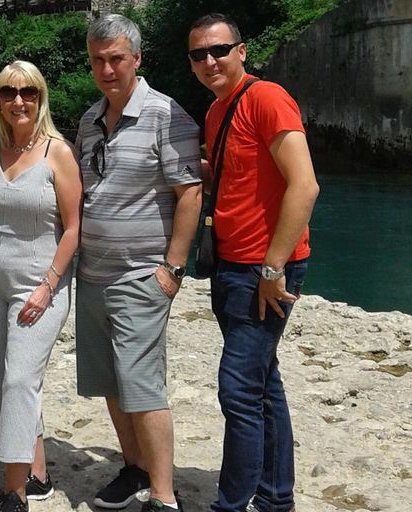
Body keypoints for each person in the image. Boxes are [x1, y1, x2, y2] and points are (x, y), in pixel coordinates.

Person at [187, 13, 320, 512]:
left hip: (263, 269)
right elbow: (236, 174)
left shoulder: (267, 98)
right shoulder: (218, 111)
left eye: (218, 50)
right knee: (263, 384)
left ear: (241, 51)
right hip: (232, 265)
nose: (209, 61)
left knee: (238, 389)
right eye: (199, 54)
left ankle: (233, 503)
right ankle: (274, 497)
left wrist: (273, 268)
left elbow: (304, 185)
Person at [75, 14, 203, 512]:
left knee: (143, 386)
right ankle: (135, 468)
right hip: (92, 276)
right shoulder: (89, 120)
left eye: (116, 59)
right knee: (111, 381)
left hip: (141, 275)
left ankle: (164, 496)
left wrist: (172, 268)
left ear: (136, 59)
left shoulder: (166, 115)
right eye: (98, 60)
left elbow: (190, 194)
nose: (107, 69)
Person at [0, 61, 82, 512]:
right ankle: (36, 470)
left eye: (29, 92)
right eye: (9, 92)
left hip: (38, 280)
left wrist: (47, 285)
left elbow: (74, 228)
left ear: (41, 97)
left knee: (19, 379)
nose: (19, 100)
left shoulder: (59, 153)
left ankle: (13, 491)